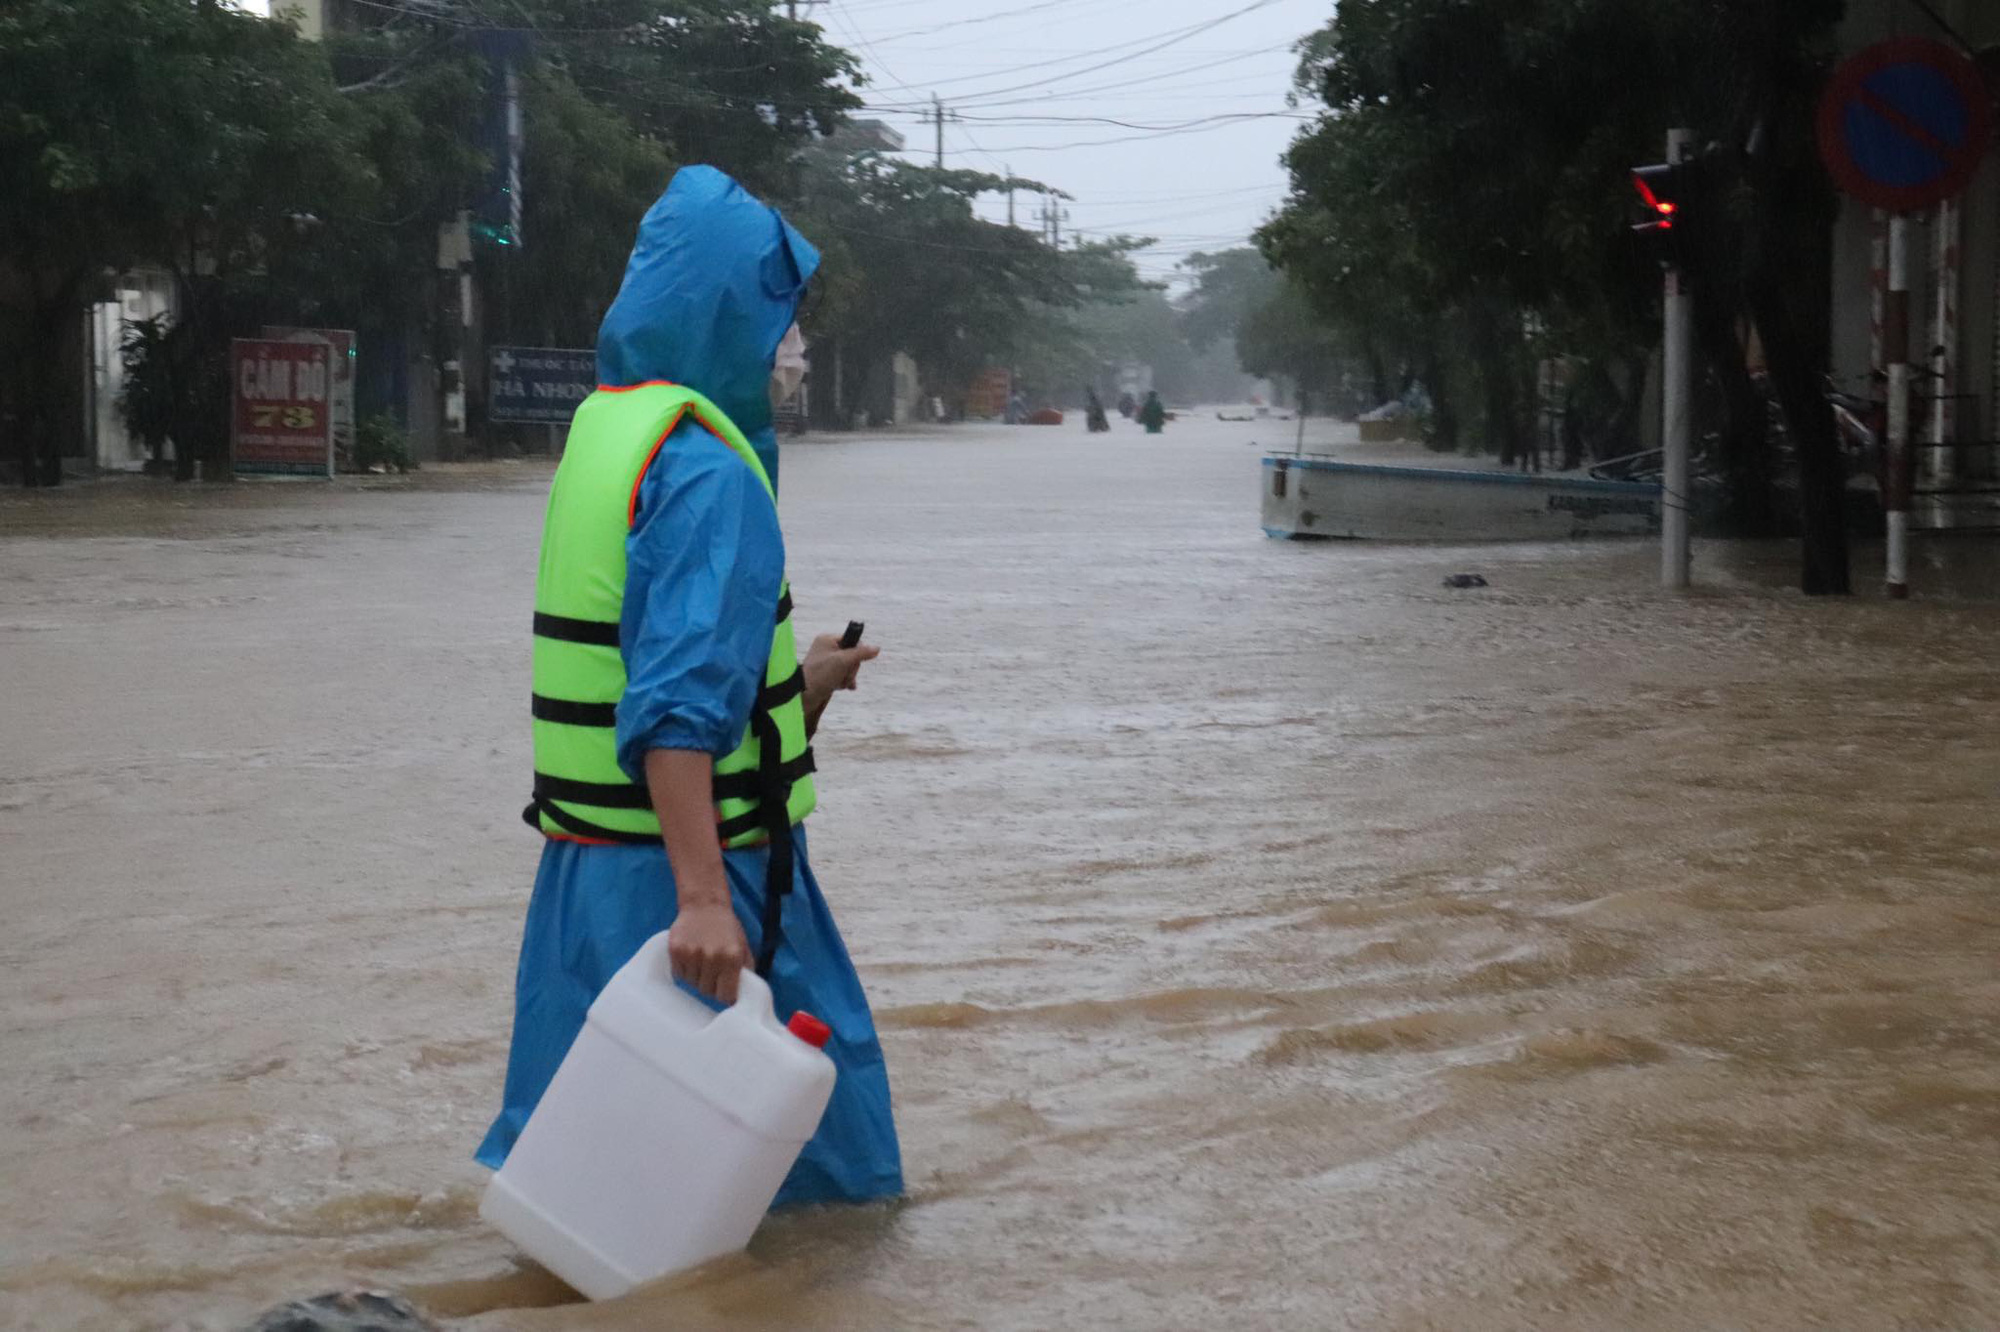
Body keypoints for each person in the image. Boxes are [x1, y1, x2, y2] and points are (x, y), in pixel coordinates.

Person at [476, 166, 904, 1209]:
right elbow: (669, 712)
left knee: (583, 1183)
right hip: (699, 884)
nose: (792, 350)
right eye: (782, 320)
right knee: (822, 1192)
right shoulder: (709, 475)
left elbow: (654, 684)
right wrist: (706, 899)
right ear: (726, 315)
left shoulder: (609, 433)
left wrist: (799, 689)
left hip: (589, 882)